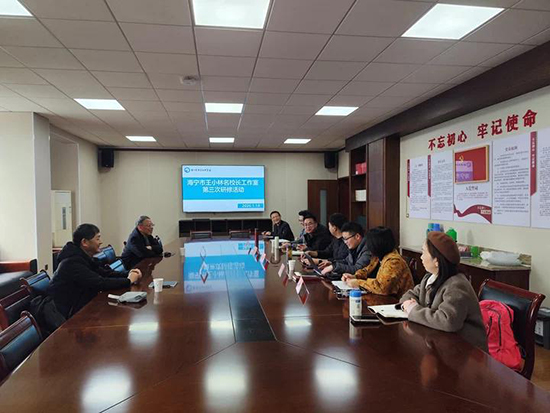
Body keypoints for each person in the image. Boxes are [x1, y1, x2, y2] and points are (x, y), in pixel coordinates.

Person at [399, 232, 488, 351]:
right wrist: (409, 304)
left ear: (436, 260)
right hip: (441, 343)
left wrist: (413, 310)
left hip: (467, 351)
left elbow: (448, 321)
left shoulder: (456, 285)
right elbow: (409, 295)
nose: (421, 257)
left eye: (424, 252)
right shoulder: (430, 278)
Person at [48, 224, 142, 319]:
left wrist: (129, 274)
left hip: (82, 306)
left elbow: (105, 273)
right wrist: (128, 281)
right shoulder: (71, 263)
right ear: (84, 242)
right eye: (97, 238)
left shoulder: (84, 257)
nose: (101, 242)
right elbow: (99, 283)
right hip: (68, 316)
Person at [342, 226, 413, 298]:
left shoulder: (394, 261)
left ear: (376, 244)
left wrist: (358, 283)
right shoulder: (377, 257)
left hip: (398, 301)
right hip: (380, 298)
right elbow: (366, 271)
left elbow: (382, 287)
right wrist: (354, 276)